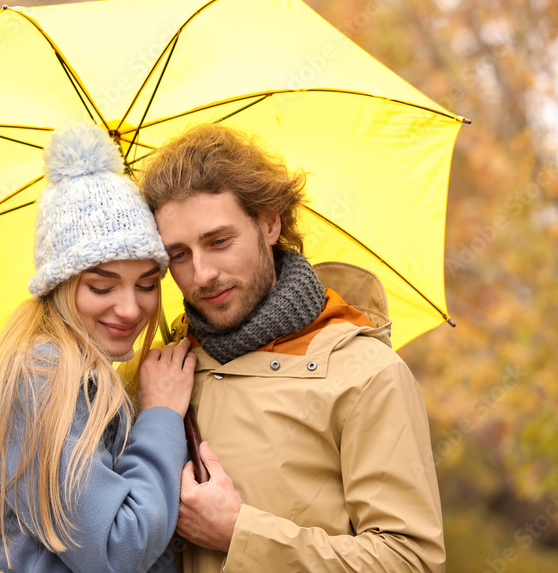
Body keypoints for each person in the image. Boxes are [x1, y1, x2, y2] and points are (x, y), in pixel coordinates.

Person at [138, 123, 446, 572]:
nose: (201, 274)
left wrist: (240, 534)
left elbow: (411, 561)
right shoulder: (157, 374)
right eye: (179, 255)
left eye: (219, 241)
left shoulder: (367, 374)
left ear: (269, 222)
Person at [0, 123, 197, 573]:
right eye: (101, 287)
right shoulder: (44, 378)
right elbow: (117, 550)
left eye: (147, 284)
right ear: (60, 286)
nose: (130, 309)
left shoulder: (68, 371)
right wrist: (162, 415)